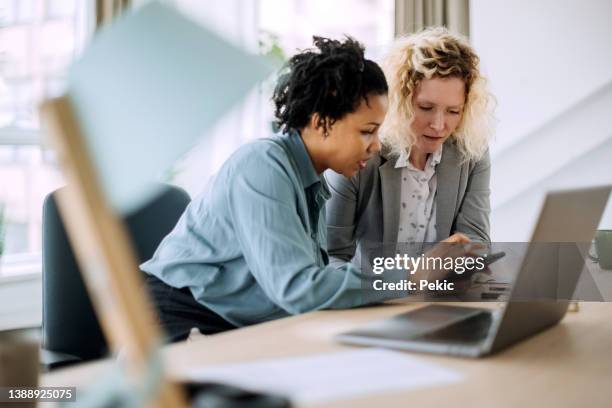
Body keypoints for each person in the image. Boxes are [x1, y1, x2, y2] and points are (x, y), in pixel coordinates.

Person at [141, 36, 405, 342]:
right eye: (367, 131)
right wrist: (407, 278)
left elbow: (306, 287)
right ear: (322, 123)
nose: (376, 146)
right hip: (177, 321)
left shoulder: (310, 179)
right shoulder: (262, 165)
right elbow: (299, 290)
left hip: (232, 324)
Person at [326, 27, 495, 268]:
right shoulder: (360, 152)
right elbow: (329, 256)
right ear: (400, 101)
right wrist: (405, 282)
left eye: (453, 111)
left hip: (442, 298)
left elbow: (475, 243)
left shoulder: (471, 152)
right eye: (426, 108)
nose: (438, 125)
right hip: (372, 298)